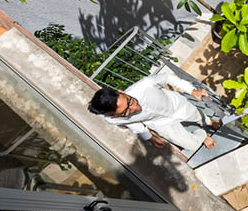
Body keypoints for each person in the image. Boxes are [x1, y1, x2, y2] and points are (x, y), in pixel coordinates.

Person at [88, 66, 220, 158]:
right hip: (160, 124)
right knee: (191, 146)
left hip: (176, 105)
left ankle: (208, 121)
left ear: (122, 92)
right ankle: (202, 135)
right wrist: (150, 138)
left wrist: (192, 90)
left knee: (199, 117)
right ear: (113, 115)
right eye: (126, 111)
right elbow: (134, 124)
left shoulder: (145, 85)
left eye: (129, 101)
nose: (134, 108)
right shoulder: (112, 119)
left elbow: (169, 78)